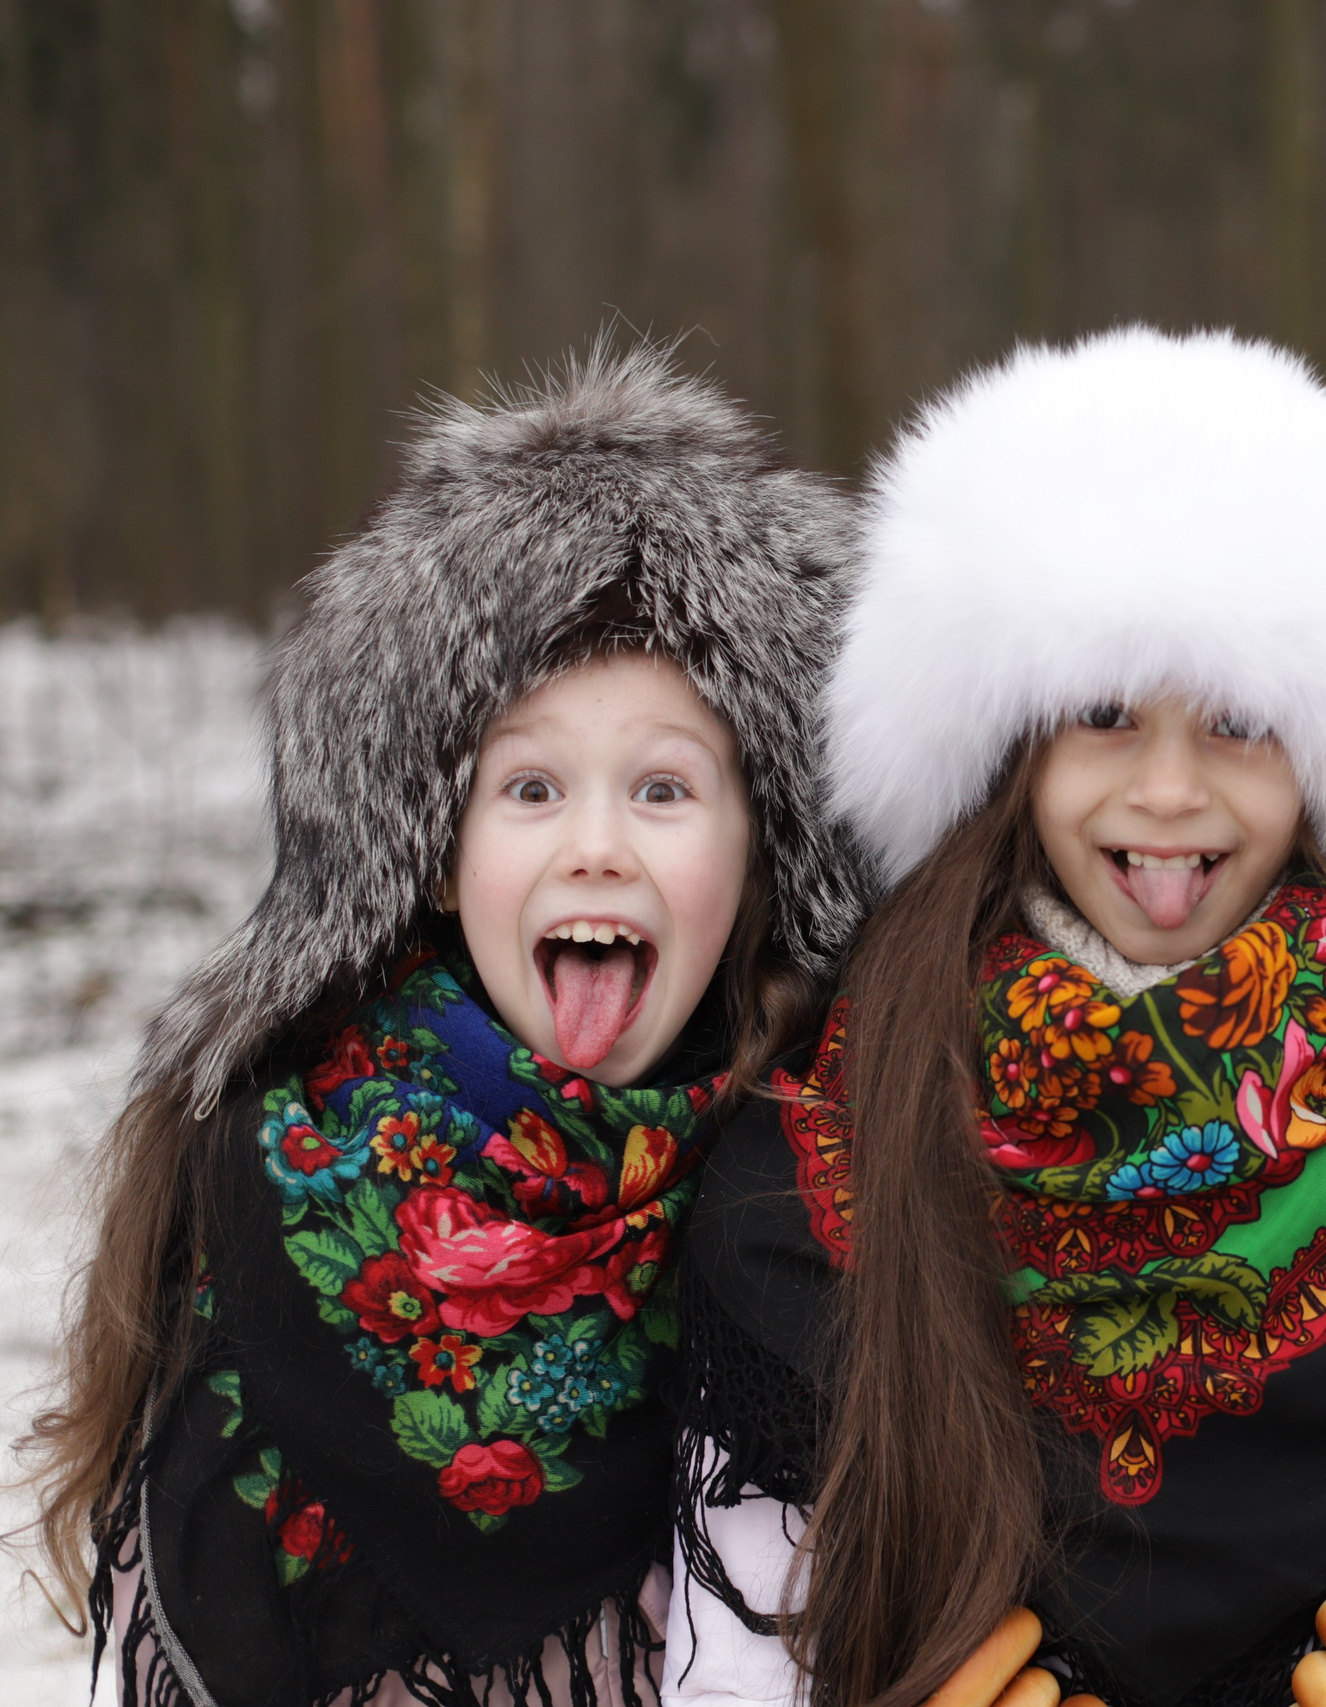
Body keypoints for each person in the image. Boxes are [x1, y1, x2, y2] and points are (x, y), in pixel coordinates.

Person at [668, 328, 1326, 1707]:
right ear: (1006, 750)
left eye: (1238, 723)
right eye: (1102, 716)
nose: (1166, 791)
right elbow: (727, 1671)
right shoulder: (812, 1158)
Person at [24, 347, 866, 1705]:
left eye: (663, 789)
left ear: (761, 852)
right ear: (431, 853)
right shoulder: (271, 1171)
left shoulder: (819, 1186)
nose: (596, 846)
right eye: (529, 789)